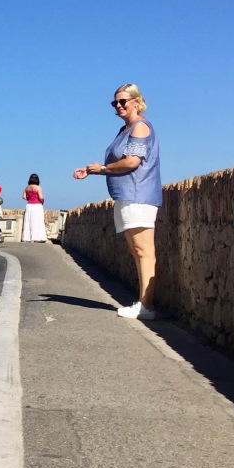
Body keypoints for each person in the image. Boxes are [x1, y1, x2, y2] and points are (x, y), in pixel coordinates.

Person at [74, 82, 162, 320]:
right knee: (137, 251)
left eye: (123, 101)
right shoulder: (126, 129)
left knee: (144, 251)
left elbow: (132, 161)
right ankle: (144, 304)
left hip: (138, 195)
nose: (119, 105)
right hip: (127, 196)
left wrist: (101, 169)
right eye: (115, 102)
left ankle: (146, 306)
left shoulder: (140, 128)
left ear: (136, 101)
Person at [21, 173, 46, 242]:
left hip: (29, 205)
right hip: (37, 206)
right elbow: (41, 197)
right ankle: (34, 238)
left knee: (28, 221)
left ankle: (27, 238)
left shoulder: (27, 187)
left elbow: (23, 196)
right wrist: (42, 200)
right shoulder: (38, 187)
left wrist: (29, 199)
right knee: (36, 221)